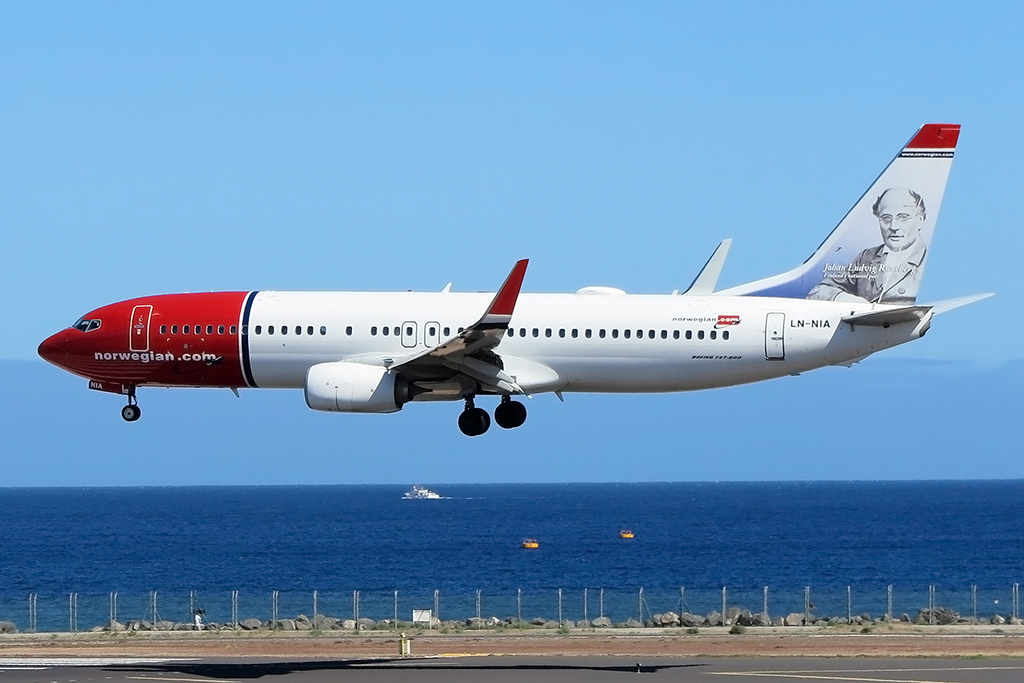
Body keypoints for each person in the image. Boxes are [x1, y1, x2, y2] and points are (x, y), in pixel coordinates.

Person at [807, 187, 928, 305]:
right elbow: (819, 291)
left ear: (920, 220)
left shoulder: (928, 261)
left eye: (903, 218)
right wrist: (844, 299)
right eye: (886, 218)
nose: (893, 226)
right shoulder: (867, 257)